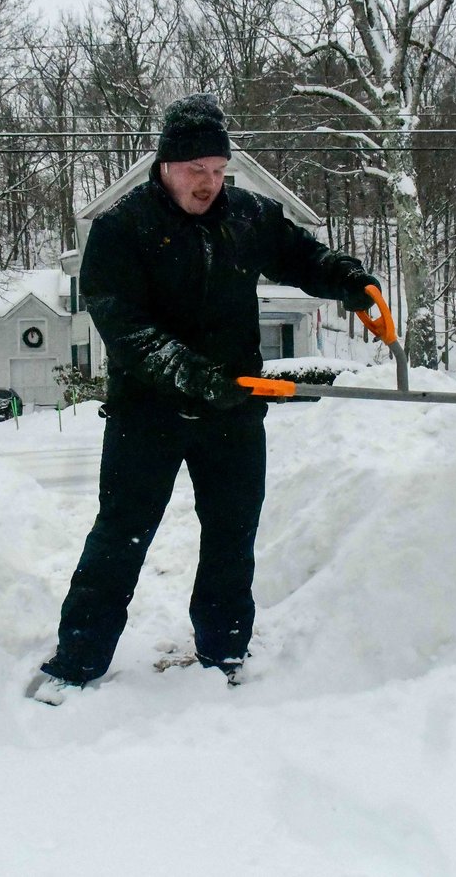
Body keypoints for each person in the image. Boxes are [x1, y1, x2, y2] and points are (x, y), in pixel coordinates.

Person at [30, 93, 379, 704]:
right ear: (165, 164)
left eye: (218, 169)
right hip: (147, 414)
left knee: (231, 535)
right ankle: (77, 661)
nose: (208, 182)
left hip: (233, 412)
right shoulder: (121, 229)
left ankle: (225, 650)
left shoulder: (247, 215)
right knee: (121, 536)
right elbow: (124, 328)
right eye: (196, 169)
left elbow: (301, 255)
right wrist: (192, 373)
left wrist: (347, 278)